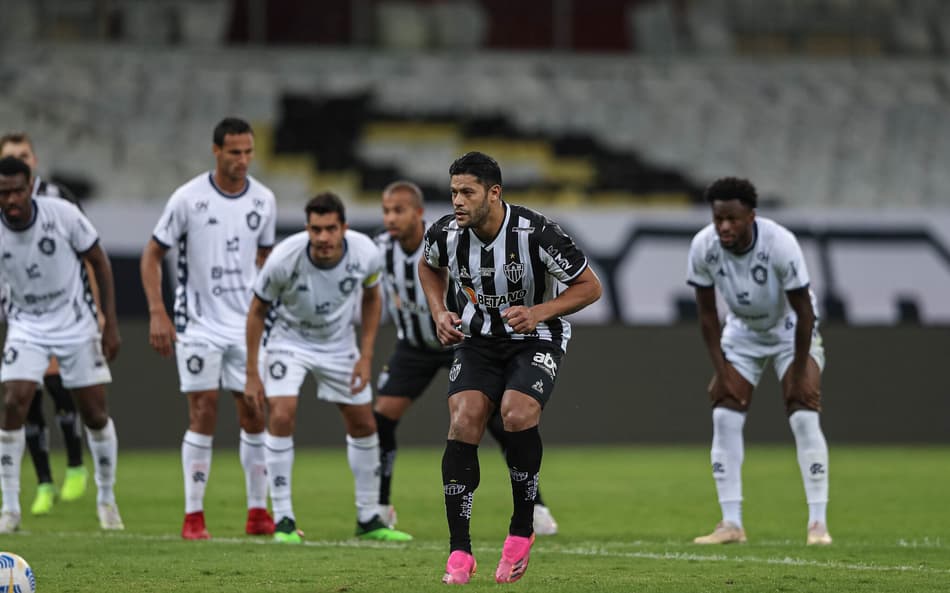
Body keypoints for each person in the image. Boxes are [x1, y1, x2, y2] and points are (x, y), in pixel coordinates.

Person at [419, 152, 602, 584]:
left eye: (467, 192)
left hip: (535, 337)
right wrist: (439, 311)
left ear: (494, 193)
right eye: (453, 193)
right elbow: (428, 266)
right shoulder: (446, 233)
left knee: (516, 413)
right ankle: (459, 551)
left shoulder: (536, 233)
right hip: (479, 340)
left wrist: (540, 312)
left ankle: (522, 528)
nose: (457, 202)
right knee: (464, 420)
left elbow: (590, 287)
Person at [372, 180, 559, 536]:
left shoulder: (450, 237)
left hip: (463, 338)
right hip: (414, 347)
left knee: (499, 421)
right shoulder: (377, 250)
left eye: (399, 210)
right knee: (382, 417)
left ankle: (535, 505)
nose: (391, 218)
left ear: (418, 213)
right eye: (386, 211)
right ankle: (379, 506)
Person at [245, 192, 412, 543]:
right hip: (289, 342)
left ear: (343, 228)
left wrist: (366, 356)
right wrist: (251, 371)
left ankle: (368, 517)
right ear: (307, 228)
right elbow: (257, 310)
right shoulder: (284, 258)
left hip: (338, 344)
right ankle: (284, 518)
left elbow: (372, 297)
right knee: (282, 414)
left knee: (364, 422)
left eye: (330, 229)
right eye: (315, 229)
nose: (322, 237)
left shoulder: (365, 253)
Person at [140, 117, 276, 540]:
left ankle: (258, 512)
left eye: (248, 152)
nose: (242, 160)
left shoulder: (264, 201)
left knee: (255, 412)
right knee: (203, 412)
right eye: (234, 152)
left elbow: (267, 263)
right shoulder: (188, 198)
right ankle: (193, 516)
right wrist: (158, 311)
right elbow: (151, 255)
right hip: (198, 323)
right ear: (216, 151)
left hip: (245, 326)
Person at [686, 176, 832, 546]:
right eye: (718, 218)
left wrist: (799, 370)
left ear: (751, 215)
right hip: (743, 331)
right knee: (723, 411)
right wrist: (722, 373)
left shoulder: (781, 243)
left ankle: (818, 524)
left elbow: (804, 313)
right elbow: (706, 315)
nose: (724, 227)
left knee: (802, 411)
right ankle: (731, 523)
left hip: (789, 328)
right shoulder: (704, 246)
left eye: (732, 219)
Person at [0, 156, 123, 533]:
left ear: (31, 185)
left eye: (18, 190)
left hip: (74, 323)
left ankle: (106, 498)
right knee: (13, 402)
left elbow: (100, 261)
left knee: (94, 414)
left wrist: (110, 325)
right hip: (26, 326)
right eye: (3, 193)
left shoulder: (62, 214)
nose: (11, 200)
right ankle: (10, 508)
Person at [0, 133, 89, 516]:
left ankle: (74, 464)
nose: (19, 160)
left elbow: (85, 250)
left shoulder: (59, 199)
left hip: (62, 311)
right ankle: (44, 482)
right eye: (10, 157)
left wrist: (95, 308)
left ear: (34, 161)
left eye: (23, 155)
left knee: (57, 386)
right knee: (26, 399)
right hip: (18, 314)